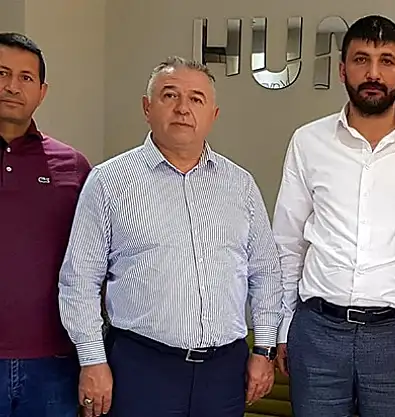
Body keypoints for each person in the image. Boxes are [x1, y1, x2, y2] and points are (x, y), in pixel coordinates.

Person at [58, 56, 282, 417]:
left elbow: (266, 272)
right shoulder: (109, 182)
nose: (182, 108)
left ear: (213, 114)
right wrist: (92, 360)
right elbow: (79, 281)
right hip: (142, 367)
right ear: (147, 108)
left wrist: (264, 349)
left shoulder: (240, 185)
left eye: (196, 99)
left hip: (225, 372)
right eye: (170, 95)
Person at [271, 14, 395, 417]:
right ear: (342, 70)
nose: (373, 73)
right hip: (318, 331)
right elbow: (287, 243)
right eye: (361, 60)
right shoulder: (308, 141)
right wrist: (283, 327)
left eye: (386, 61)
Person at [0, 32, 91, 417]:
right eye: (2, 73)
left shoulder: (73, 166)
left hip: (53, 364)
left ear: (42, 91)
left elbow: (95, 263)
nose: (12, 86)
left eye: (25, 77)